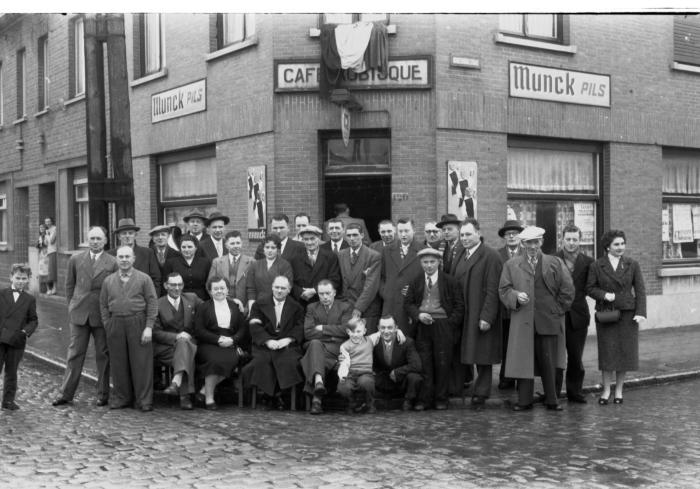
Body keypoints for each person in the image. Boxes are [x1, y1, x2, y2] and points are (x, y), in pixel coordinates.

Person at [499, 226, 574, 412]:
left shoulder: (555, 262)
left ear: (541, 242)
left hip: (548, 320)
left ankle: (552, 399)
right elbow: (503, 289)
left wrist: (557, 310)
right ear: (522, 244)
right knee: (523, 361)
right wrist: (515, 296)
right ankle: (524, 401)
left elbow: (568, 289)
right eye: (528, 243)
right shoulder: (511, 265)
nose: (532, 246)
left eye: (536, 242)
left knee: (549, 361)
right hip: (523, 321)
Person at [52, 226, 118, 408]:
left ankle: (103, 394)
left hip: (101, 315)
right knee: (74, 354)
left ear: (105, 241)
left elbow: (113, 291)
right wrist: (72, 306)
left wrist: (109, 314)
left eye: (98, 238)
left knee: (103, 355)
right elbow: (69, 286)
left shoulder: (112, 262)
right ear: (87, 240)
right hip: (79, 313)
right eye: (92, 238)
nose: (95, 242)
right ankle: (65, 393)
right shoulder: (76, 259)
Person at [586, 229, 646, 405]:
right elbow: (589, 288)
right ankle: (606, 391)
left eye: (622, 244)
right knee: (607, 354)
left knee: (624, 354)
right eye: (616, 244)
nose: (621, 247)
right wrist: (604, 295)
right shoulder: (597, 266)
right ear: (607, 247)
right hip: (608, 314)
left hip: (627, 314)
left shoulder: (632, 264)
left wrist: (641, 312)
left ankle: (619, 390)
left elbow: (640, 290)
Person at [99, 245, 159, 411]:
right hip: (116, 323)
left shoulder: (144, 279)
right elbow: (103, 304)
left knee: (141, 363)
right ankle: (121, 398)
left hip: (137, 322)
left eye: (127, 257)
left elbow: (152, 303)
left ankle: (144, 400)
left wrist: (149, 327)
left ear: (133, 259)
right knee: (118, 363)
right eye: (121, 257)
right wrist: (107, 324)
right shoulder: (108, 280)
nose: (124, 260)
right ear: (116, 259)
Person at [404, 247, 463, 410]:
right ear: (420, 263)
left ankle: (441, 398)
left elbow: (459, 306)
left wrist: (449, 325)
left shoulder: (450, 281)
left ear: (439, 262)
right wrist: (418, 315)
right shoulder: (416, 281)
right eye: (425, 262)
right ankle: (425, 399)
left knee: (442, 363)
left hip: (443, 325)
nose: (429, 265)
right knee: (425, 363)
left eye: (432, 262)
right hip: (423, 326)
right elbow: (408, 304)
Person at [453, 218, 503, 408]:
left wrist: (487, 316)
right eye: (462, 235)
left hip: (479, 312)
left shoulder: (490, 256)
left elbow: (493, 290)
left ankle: (482, 392)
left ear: (478, 234)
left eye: (468, 234)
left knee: (483, 354)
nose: (464, 238)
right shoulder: (460, 254)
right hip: (464, 312)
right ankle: (467, 385)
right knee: (467, 351)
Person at [247, 275, 304, 410]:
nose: (279, 291)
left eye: (283, 288)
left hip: (287, 344)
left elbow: (300, 326)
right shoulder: (259, 304)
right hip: (264, 343)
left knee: (287, 360)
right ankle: (269, 395)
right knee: (262, 360)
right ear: (272, 288)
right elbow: (254, 325)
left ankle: (281, 394)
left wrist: (288, 340)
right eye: (277, 287)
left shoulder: (296, 307)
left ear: (289, 290)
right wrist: (267, 341)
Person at [193, 276, 249, 410]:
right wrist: (217, 339)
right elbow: (199, 330)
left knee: (230, 360)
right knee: (214, 361)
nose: (219, 291)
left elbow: (242, 328)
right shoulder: (203, 307)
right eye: (215, 288)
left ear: (227, 290)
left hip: (230, 343)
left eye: (222, 288)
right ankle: (209, 399)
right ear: (210, 291)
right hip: (209, 343)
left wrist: (233, 339)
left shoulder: (234, 306)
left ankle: (203, 391)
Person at [554, 225, 594, 403]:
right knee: (556, 356)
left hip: (578, 315)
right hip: (557, 314)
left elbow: (592, 287)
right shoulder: (552, 259)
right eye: (568, 239)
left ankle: (574, 391)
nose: (571, 243)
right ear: (562, 239)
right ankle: (553, 392)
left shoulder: (588, 262)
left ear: (580, 240)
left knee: (576, 356)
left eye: (575, 239)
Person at [300, 280, 353, 414]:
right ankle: (318, 383)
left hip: (336, 349)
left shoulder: (345, 307)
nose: (325, 297)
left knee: (315, 355)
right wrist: (333, 334)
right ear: (317, 294)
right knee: (315, 345)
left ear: (334, 293)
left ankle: (316, 400)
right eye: (321, 294)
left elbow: (346, 330)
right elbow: (308, 333)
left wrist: (322, 328)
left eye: (328, 293)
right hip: (317, 347)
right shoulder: (312, 308)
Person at [153, 272, 202, 410]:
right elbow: (155, 333)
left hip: (189, 343)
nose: (177, 288)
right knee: (185, 349)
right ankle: (184, 396)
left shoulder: (192, 298)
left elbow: (208, 308)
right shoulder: (157, 304)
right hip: (166, 348)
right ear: (166, 285)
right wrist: (176, 336)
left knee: (185, 347)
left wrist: (233, 301)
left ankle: (176, 382)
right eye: (173, 285)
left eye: (180, 284)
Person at [0, 264, 38, 410]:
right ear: (11, 277)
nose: (21, 281)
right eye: (18, 278)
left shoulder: (29, 299)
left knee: (12, 371)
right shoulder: (2, 293)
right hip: (0, 338)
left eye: (24, 278)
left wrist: (25, 332)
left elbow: (33, 319)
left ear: (28, 279)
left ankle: (8, 401)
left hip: (16, 340)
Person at [380, 218, 426, 338]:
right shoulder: (387, 250)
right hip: (391, 304)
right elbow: (381, 277)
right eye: (400, 231)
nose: (403, 234)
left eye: (407, 231)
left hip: (410, 305)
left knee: (408, 340)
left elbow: (426, 278)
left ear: (414, 230)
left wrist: (414, 292)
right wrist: (385, 292)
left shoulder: (423, 250)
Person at [338, 223, 382, 334]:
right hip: (346, 306)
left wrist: (358, 308)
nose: (352, 238)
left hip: (366, 309)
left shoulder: (373, 256)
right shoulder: (341, 255)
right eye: (349, 235)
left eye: (355, 235)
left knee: (366, 344)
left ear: (362, 235)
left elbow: (371, 287)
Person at [372, 316, 423, 412]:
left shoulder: (407, 342)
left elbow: (417, 365)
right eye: (383, 328)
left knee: (415, 377)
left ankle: (408, 402)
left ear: (396, 328)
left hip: (400, 380)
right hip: (383, 380)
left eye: (390, 327)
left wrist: (398, 372)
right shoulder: (373, 341)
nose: (386, 331)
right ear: (378, 328)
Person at [496, 219, 524, 390]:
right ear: (504, 237)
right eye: (508, 233)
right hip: (504, 308)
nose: (512, 236)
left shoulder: (527, 253)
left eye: (515, 233)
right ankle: (506, 378)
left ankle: (521, 379)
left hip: (523, 307)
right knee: (506, 344)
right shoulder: (497, 255)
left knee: (521, 345)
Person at [290, 225, 341, 309]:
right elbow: (291, 281)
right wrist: (301, 293)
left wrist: (315, 290)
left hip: (323, 303)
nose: (309, 242)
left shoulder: (330, 257)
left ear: (318, 238)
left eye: (312, 238)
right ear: (302, 240)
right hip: (302, 304)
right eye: (306, 239)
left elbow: (335, 280)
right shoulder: (295, 258)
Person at [108, 218, 161, 293]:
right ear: (119, 237)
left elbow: (156, 279)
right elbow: (108, 281)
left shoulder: (147, 253)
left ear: (135, 235)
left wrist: (152, 299)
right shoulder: (111, 254)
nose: (127, 236)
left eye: (130, 233)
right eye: (124, 233)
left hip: (142, 300)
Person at [337, 317, 378, 413]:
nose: (355, 334)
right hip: (351, 373)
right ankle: (352, 403)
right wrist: (342, 375)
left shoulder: (370, 340)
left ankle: (369, 404)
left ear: (364, 331)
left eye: (358, 331)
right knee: (343, 387)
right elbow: (344, 362)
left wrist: (398, 331)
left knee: (366, 383)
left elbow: (381, 333)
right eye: (352, 331)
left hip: (366, 373)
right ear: (348, 331)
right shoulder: (345, 346)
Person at [208, 231, 254, 314]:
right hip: (221, 307)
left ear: (242, 244)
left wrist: (247, 308)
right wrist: (226, 301)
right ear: (226, 245)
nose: (236, 246)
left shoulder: (251, 262)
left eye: (238, 243)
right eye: (232, 243)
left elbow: (254, 288)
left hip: (244, 308)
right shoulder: (217, 262)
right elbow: (209, 286)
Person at [246, 234, 294, 312]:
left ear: (278, 249)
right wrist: (252, 307)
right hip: (258, 305)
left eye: (273, 248)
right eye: (267, 247)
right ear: (263, 249)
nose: (270, 250)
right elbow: (251, 289)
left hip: (277, 306)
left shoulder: (285, 265)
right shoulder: (255, 265)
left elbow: (288, 287)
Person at [163, 235, 211, 301]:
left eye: (190, 247)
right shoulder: (171, 262)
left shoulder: (205, 263)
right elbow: (165, 282)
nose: (186, 249)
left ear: (196, 247)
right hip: (178, 299)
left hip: (201, 299)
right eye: (183, 247)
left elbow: (209, 283)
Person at [149, 224, 181, 296]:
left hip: (170, 292)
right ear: (153, 239)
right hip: (152, 292)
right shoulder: (148, 253)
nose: (160, 237)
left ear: (168, 236)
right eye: (157, 235)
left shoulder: (177, 254)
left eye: (163, 235)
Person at [43, 217, 58, 295]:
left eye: (49, 221)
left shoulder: (55, 229)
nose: (47, 223)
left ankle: (55, 288)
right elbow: (46, 243)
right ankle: (51, 288)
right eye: (46, 222)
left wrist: (47, 235)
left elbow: (52, 241)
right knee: (49, 271)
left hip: (54, 251)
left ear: (52, 221)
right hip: (49, 252)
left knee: (53, 270)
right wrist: (46, 235)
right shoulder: (47, 231)